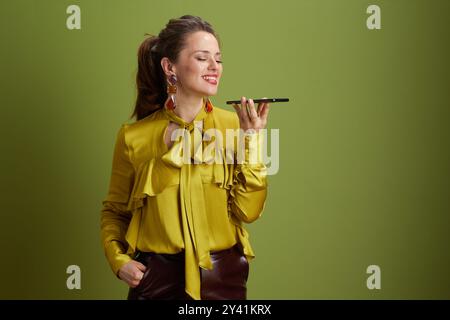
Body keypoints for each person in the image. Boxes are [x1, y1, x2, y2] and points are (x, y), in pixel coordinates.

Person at [100, 15, 270, 300]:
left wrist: (251, 139)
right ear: (170, 67)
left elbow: (248, 212)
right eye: (203, 58)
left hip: (223, 280)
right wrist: (118, 260)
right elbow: (115, 211)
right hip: (155, 281)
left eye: (218, 58)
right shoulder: (134, 137)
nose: (215, 67)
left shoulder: (234, 127)